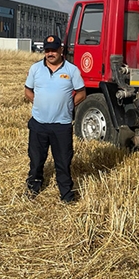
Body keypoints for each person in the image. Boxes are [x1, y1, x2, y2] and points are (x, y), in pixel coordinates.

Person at [24, 35, 86, 203]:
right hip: (39, 124)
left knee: (63, 162)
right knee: (36, 160)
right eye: (47, 50)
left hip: (62, 125)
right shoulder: (35, 69)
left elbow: (81, 92)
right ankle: (33, 189)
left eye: (54, 50)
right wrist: (37, 102)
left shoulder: (72, 70)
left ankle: (66, 195)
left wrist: (69, 105)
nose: (50, 53)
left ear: (61, 50)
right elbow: (28, 91)